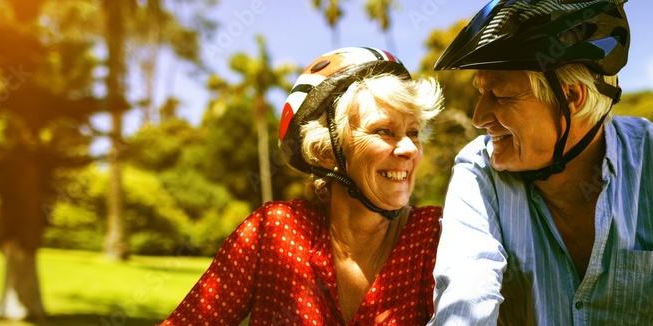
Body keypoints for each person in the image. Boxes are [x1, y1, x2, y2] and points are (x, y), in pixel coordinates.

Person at [428, 0, 653, 325]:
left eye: (500, 95)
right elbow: (465, 297)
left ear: (571, 97)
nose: (478, 117)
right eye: (480, 93)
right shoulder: (478, 170)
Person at [159, 47, 445, 326]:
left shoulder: (436, 237)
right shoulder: (274, 232)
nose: (410, 149)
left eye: (414, 133)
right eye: (384, 130)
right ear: (325, 151)